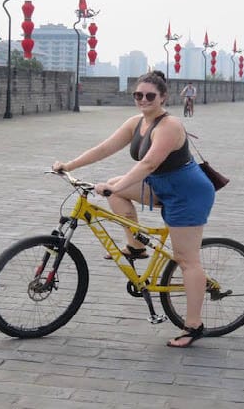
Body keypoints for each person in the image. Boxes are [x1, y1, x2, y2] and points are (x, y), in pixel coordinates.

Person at [53, 71, 215, 348]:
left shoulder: (170, 126)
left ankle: (193, 324)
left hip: (188, 193)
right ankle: (137, 247)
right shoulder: (136, 122)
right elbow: (105, 148)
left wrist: (116, 187)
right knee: (115, 187)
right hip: (160, 186)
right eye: (138, 95)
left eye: (150, 95)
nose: (143, 100)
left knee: (186, 259)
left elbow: (148, 164)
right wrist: (69, 165)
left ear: (163, 97)